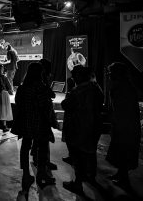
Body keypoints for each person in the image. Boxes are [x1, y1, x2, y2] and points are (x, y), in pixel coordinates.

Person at [12, 62, 55, 190]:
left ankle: (26, 174)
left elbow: (18, 104)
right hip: (40, 123)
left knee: (25, 147)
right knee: (41, 149)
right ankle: (41, 174)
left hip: (26, 123)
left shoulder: (22, 88)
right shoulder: (41, 87)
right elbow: (47, 103)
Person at [61, 66, 103, 195]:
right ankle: (91, 176)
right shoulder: (97, 88)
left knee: (78, 157)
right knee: (90, 152)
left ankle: (78, 184)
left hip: (78, 127)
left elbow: (66, 105)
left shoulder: (78, 90)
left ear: (80, 76)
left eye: (74, 76)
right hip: (94, 126)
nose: (73, 78)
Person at [106, 62, 141, 187]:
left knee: (123, 150)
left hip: (125, 125)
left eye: (111, 72)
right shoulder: (123, 85)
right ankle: (120, 174)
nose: (108, 75)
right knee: (120, 150)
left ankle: (124, 179)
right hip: (124, 123)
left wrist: (116, 124)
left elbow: (121, 109)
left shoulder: (121, 87)